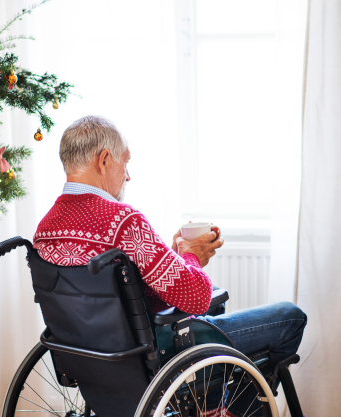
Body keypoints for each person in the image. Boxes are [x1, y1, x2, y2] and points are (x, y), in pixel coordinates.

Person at [34, 115, 307, 416]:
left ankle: (209, 406)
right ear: (104, 160)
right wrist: (191, 256)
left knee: (216, 306)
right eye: (125, 163)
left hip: (92, 356)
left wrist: (175, 255)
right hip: (152, 355)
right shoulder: (123, 221)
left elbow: (118, 292)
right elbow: (196, 297)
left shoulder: (44, 230)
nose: (128, 176)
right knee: (290, 318)